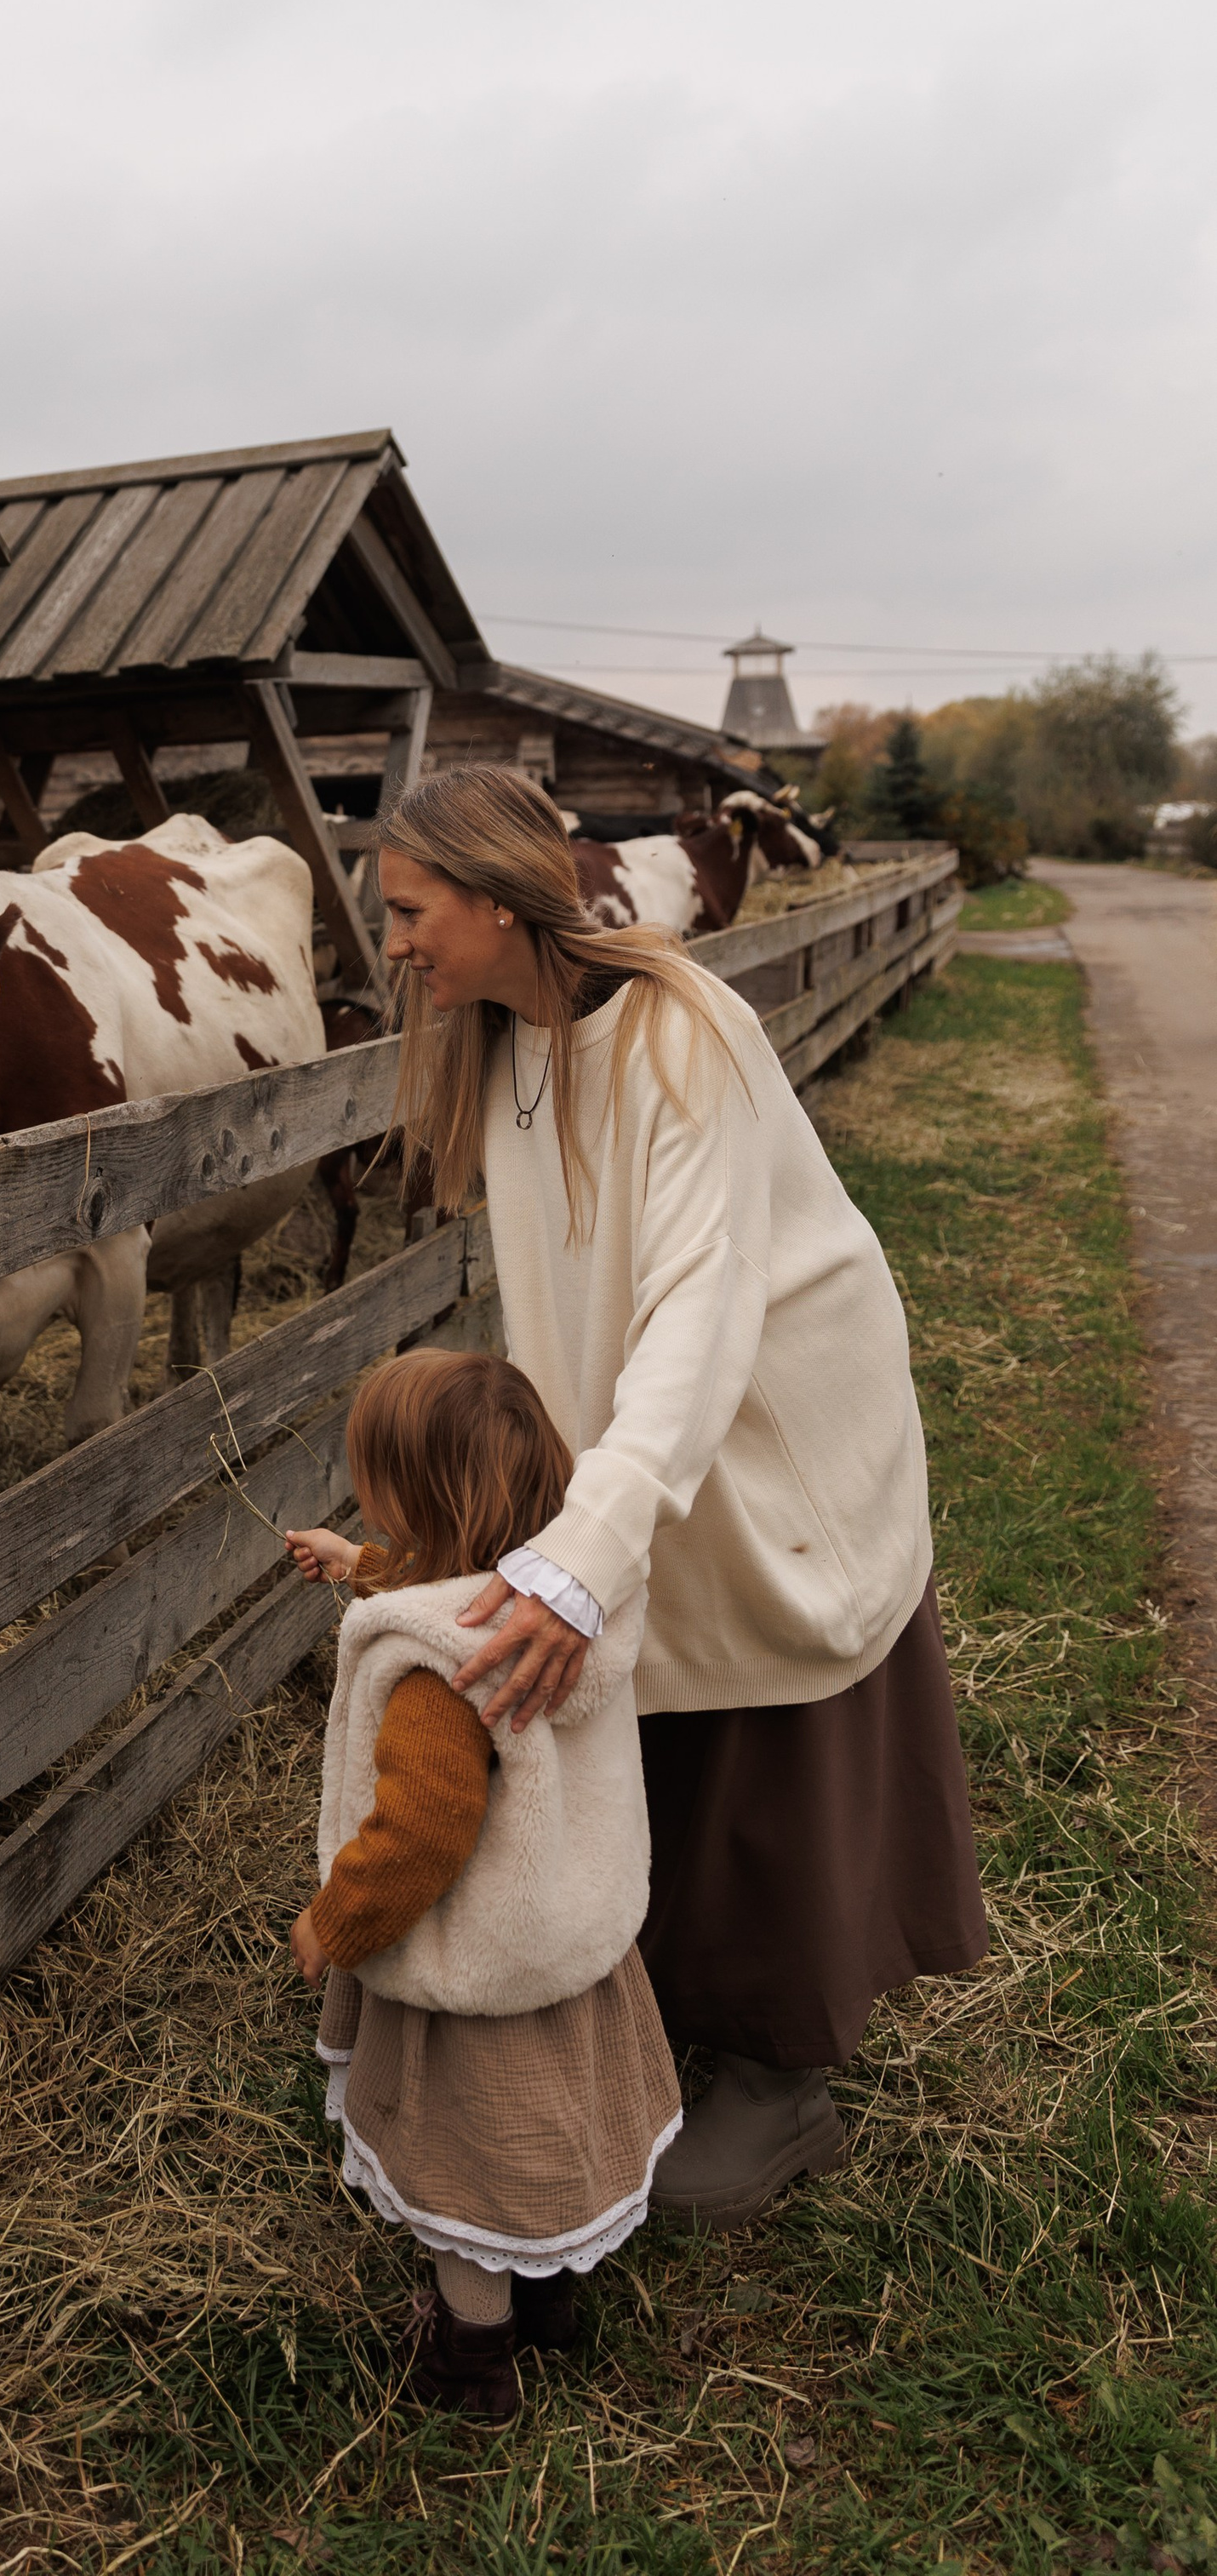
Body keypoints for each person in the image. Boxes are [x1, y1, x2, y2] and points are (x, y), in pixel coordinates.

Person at [373, 764, 986, 2230]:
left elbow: (703, 1305)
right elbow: (563, 1297)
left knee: (775, 1731)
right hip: (646, 1450)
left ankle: (786, 2085)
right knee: (666, 1731)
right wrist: (556, 1512)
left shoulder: (680, 1032)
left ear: (493, 892)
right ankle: (697, 2025)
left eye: (406, 912)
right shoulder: (515, 1046)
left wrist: (595, 1540)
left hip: (770, 1435)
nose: (392, 945)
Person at [284, 1345, 681, 2424]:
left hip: (479, 1968)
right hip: (566, 1932)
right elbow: (452, 1582)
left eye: (376, 1478)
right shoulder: (568, 1602)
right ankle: (552, 2299)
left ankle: (474, 2353)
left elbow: (421, 1831)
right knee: (548, 2135)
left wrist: (337, 1923)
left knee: (470, 2161)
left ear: (416, 1496)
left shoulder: (434, 1677)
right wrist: (359, 1564)